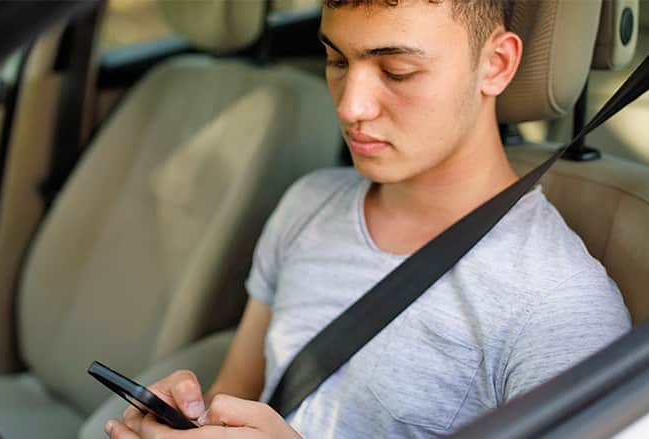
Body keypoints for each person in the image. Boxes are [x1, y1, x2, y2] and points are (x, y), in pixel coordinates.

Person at [106, 0, 632, 437]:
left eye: (396, 71)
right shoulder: (307, 205)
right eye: (337, 61)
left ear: (495, 64)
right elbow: (237, 391)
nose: (351, 106)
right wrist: (188, 421)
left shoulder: (558, 309)